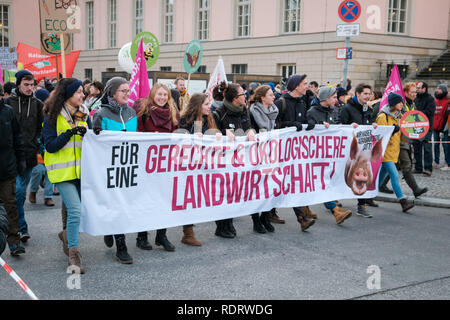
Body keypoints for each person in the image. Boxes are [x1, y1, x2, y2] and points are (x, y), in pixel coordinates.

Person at [42, 78, 91, 274]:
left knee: (73, 211)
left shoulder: (85, 114)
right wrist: (70, 133)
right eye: (78, 92)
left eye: (82, 92)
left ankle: (66, 235)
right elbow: (50, 145)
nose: (82, 95)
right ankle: (74, 258)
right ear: (68, 94)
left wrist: (94, 133)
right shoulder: (52, 116)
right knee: (76, 211)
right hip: (62, 173)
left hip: (81, 172)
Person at [92, 77, 141, 264]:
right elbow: (97, 144)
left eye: (129, 91)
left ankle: (110, 229)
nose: (127, 94)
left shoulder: (131, 113)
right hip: (108, 167)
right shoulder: (101, 114)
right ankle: (121, 247)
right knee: (114, 204)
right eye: (123, 91)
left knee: (122, 205)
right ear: (112, 93)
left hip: (126, 166)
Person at [133, 83, 179, 252]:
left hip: (166, 164)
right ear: (153, 95)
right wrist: (151, 137)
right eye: (159, 94)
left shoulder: (173, 113)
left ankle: (161, 235)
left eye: (165, 95)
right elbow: (136, 135)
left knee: (164, 201)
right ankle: (142, 236)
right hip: (147, 164)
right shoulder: (143, 112)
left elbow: (177, 134)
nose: (162, 98)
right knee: (145, 200)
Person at [212, 81, 256, 238]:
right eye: (242, 94)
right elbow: (212, 135)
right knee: (223, 193)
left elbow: (248, 126)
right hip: (223, 160)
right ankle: (221, 225)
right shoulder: (219, 112)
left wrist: (250, 131)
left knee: (234, 192)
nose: (245, 96)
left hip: (239, 159)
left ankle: (229, 222)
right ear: (233, 98)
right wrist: (223, 133)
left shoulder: (244, 109)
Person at [5, 70, 44, 243]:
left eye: (32, 84)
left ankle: (10, 223)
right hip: (11, 156)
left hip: (29, 155)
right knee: (19, 191)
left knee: (17, 195)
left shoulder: (38, 104)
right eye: (26, 84)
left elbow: (40, 128)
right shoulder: (8, 103)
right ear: (18, 84)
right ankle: (21, 228)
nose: (30, 88)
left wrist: (36, 143)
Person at [274, 74, 316, 231]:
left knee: (291, 182)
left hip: (295, 151)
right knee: (281, 182)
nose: (307, 86)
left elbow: (304, 120)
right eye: (305, 84)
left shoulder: (302, 102)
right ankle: (269, 213)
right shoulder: (281, 102)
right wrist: (289, 124)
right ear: (296, 86)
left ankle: (301, 217)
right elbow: (274, 125)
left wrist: (310, 123)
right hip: (279, 151)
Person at [306, 86, 353, 224]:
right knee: (320, 183)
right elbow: (308, 130)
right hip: (314, 155)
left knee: (317, 183)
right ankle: (335, 211)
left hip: (328, 155)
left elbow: (337, 126)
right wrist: (319, 126)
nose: (336, 100)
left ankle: (304, 207)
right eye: (333, 97)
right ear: (325, 98)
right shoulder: (312, 112)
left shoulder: (333, 110)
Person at [178, 92, 219, 245]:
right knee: (185, 197)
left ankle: (188, 232)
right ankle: (187, 233)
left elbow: (214, 135)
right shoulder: (184, 120)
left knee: (193, 197)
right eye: (206, 104)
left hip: (201, 165)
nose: (210, 107)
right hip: (185, 165)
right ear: (198, 105)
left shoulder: (210, 118)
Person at [379, 82, 428, 197]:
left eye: (416, 91)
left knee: (394, 165)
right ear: (406, 92)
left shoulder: (412, 104)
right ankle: (414, 190)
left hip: (405, 139)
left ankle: (379, 185)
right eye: (413, 91)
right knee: (406, 164)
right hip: (398, 140)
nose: (415, 94)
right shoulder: (401, 104)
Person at [340, 83, 379, 218]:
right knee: (341, 174)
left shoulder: (367, 109)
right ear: (358, 94)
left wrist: (372, 126)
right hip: (347, 149)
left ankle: (361, 205)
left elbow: (367, 124)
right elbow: (340, 126)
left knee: (363, 173)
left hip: (362, 150)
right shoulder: (347, 108)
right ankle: (332, 200)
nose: (368, 96)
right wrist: (349, 126)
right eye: (365, 94)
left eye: (369, 94)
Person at [376, 93, 414, 212]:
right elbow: (381, 135)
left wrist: (411, 136)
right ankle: (403, 201)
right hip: (385, 151)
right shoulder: (382, 117)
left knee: (381, 176)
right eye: (399, 102)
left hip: (394, 151)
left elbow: (401, 136)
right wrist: (393, 130)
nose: (402, 104)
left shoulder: (399, 117)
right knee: (394, 175)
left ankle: (368, 195)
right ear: (393, 104)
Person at [248, 85, 278, 233]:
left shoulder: (274, 111)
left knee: (270, 185)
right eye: (271, 95)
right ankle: (255, 220)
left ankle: (265, 216)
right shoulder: (253, 111)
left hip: (271, 152)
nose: (273, 97)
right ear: (262, 98)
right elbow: (250, 129)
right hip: (256, 153)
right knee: (256, 187)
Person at [0, 96, 26, 256]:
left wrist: (21, 158)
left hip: (7, 167)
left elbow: (17, 137)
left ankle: (14, 242)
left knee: (10, 205)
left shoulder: (8, 112)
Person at [413, 82, 436, 176]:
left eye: (418, 88)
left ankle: (428, 168)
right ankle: (418, 167)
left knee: (427, 148)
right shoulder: (416, 98)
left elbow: (430, 111)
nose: (417, 89)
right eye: (416, 88)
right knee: (417, 147)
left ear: (424, 88)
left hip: (427, 127)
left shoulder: (430, 99)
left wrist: (418, 113)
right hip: (416, 126)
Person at [433, 84, 449, 169]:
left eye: (439, 89)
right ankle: (436, 161)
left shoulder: (447, 101)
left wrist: (444, 128)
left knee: (445, 145)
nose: (437, 90)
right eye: (436, 89)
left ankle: (447, 162)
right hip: (435, 127)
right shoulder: (435, 101)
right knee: (435, 145)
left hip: (444, 128)